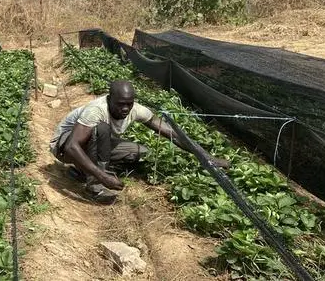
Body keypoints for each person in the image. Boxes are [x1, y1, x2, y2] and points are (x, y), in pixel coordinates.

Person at [49, 79, 229, 204]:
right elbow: (73, 146)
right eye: (120, 104)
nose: (125, 108)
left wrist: (206, 157)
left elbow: (172, 133)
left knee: (139, 152)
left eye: (129, 103)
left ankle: (83, 170)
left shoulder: (136, 109)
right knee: (101, 129)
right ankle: (94, 186)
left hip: (92, 144)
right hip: (64, 147)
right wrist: (102, 176)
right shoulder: (96, 110)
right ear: (109, 98)